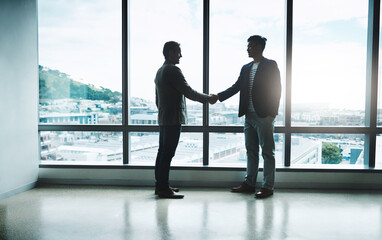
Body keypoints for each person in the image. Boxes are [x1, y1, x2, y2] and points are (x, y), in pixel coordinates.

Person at [216, 35, 281, 199]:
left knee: (267, 152)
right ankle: (249, 183)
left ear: (259, 47)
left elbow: (277, 90)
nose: (247, 49)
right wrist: (218, 96)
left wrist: (272, 114)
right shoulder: (245, 68)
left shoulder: (271, 65)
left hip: (264, 116)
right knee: (251, 151)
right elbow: (236, 86)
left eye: (250, 46)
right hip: (248, 116)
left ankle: (268, 187)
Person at [155, 41, 218, 199]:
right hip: (173, 119)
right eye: (178, 52)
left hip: (164, 117)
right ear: (170, 52)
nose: (181, 55)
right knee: (167, 154)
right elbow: (188, 92)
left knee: (162, 153)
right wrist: (208, 98)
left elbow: (157, 99)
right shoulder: (173, 70)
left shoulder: (160, 71)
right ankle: (163, 188)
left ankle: (161, 186)